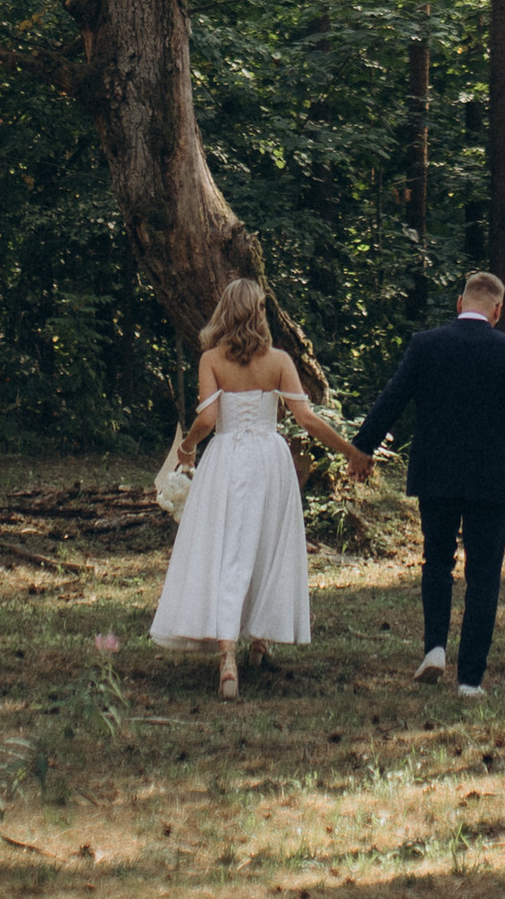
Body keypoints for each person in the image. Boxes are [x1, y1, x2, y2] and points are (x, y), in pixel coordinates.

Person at [344, 269, 505, 699]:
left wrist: (360, 449)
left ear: (460, 304)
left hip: (436, 472)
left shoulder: (426, 345)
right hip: (492, 478)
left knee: (436, 560)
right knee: (484, 575)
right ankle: (470, 679)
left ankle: (434, 649)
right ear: (498, 310)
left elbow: (392, 398)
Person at [150, 277, 356, 699]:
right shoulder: (278, 360)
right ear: (259, 313)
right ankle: (259, 641)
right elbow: (307, 419)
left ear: (225, 313)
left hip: (226, 458)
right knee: (267, 545)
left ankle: (228, 656)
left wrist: (187, 448)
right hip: (268, 459)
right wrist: (350, 450)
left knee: (229, 549)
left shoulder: (212, 359)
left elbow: (207, 421)